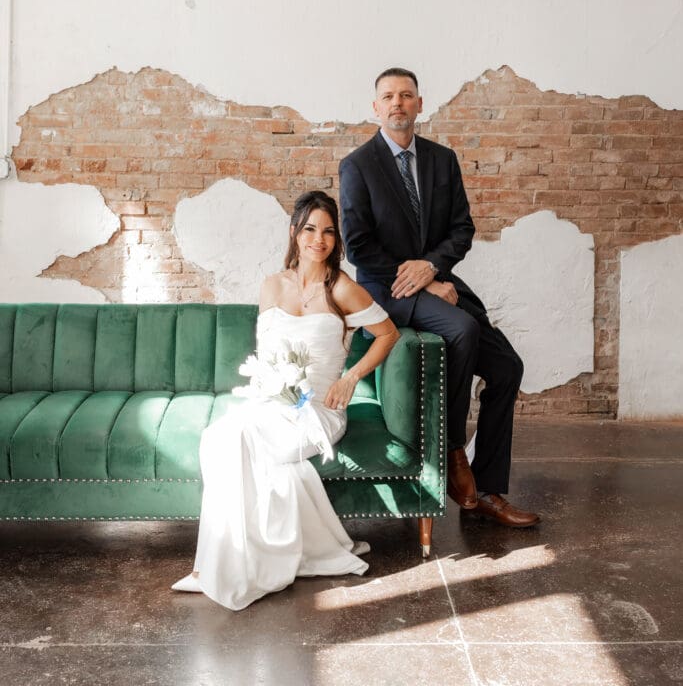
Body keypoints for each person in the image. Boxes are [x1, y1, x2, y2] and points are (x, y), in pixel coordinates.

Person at [171, 190, 400, 609]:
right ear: (294, 232)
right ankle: (222, 559)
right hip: (272, 404)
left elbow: (388, 333)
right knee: (218, 438)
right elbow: (268, 354)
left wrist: (351, 377)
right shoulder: (272, 286)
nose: (319, 240)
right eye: (310, 229)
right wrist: (268, 385)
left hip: (318, 412)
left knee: (237, 440)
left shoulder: (343, 289)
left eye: (328, 231)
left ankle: (214, 569)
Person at [339, 68, 540, 527]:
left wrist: (431, 268)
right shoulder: (358, 166)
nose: (397, 103)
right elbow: (358, 246)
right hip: (386, 289)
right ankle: (451, 450)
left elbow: (462, 229)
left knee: (508, 367)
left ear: (419, 104)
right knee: (462, 328)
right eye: (388, 96)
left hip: (438, 281)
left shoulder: (441, 160)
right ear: (376, 107)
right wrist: (422, 280)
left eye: (406, 95)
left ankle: (488, 491)